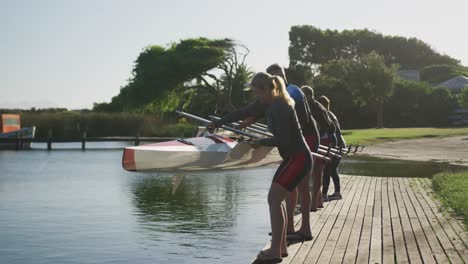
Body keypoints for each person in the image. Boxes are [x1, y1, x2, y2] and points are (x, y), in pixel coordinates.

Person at [249, 72, 312, 263]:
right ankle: (280, 247)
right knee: (277, 200)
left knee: (274, 199)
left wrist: (262, 141)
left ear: (269, 89)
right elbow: (243, 112)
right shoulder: (276, 104)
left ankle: (275, 252)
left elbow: (283, 139)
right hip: (294, 158)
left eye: (258, 92)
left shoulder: (280, 106)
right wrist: (218, 123)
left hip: (297, 158)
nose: (257, 96)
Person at [301, 86, 335, 211]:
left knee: (316, 172)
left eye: (303, 95)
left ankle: (314, 203)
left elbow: (328, 126)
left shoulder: (314, 107)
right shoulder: (315, 106)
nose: (301, 98)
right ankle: (319, 200)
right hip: (322, 140)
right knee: (316, 172)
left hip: (322, 140)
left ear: (309, 95)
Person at [318, 96, 345, 200]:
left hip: (335, 144)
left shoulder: (326, 115)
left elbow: (329, 132)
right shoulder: (330, 114)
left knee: (328, 170)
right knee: (332, 170)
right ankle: (337, 192)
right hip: (340, 143)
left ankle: (324, 194)